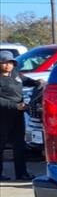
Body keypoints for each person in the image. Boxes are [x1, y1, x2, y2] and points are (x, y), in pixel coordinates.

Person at [0, 50, 31, 181]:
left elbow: (26, 81)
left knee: (19, 145)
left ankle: (21, 173)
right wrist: (14, 106)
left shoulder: (16, 74)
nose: (8, 65)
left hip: (17, 115)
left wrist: (38, 82)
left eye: (10, 62)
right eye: (4, 62)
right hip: (3, 116)